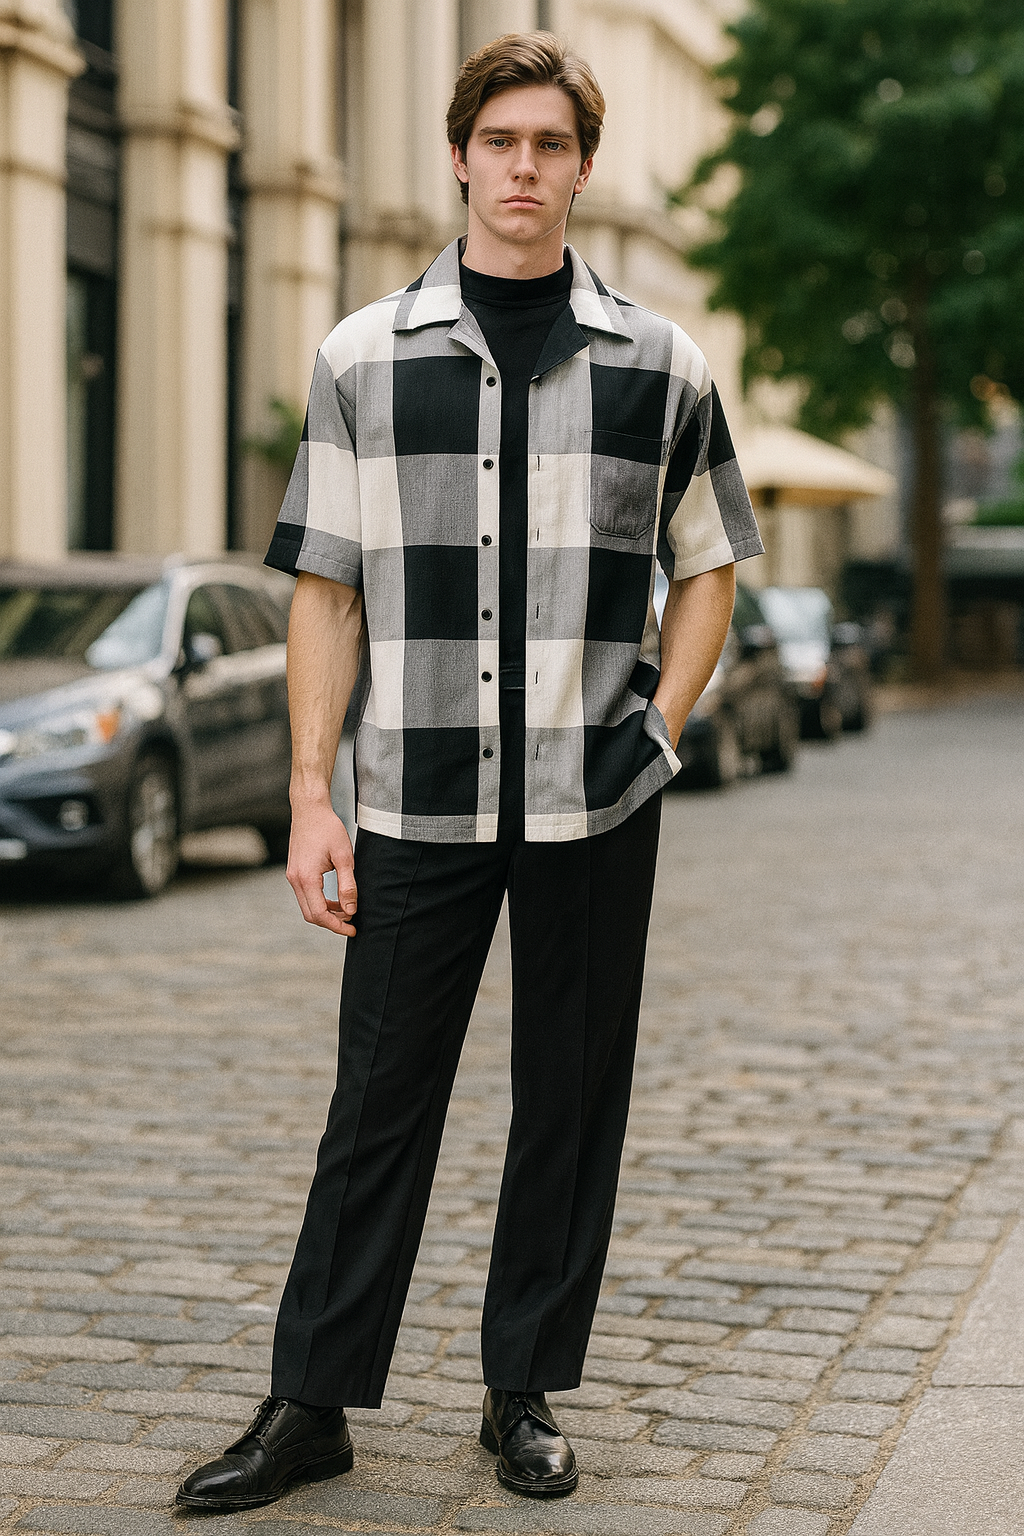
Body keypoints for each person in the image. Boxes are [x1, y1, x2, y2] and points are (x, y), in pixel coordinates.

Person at [177, 29, 762, 1513]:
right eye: (499, 141)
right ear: (457, 156)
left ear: (580, 165)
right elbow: (324, 583)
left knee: (569, 1106)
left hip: (593, 798)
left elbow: (711, 569)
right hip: (414, 795)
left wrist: (664, 722)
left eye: (549, 145)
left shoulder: (660, 365)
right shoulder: (365, 358)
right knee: (377, 1101)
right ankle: (310, 1402)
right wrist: (313, 794)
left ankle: (524, 1393)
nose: (522, 167)